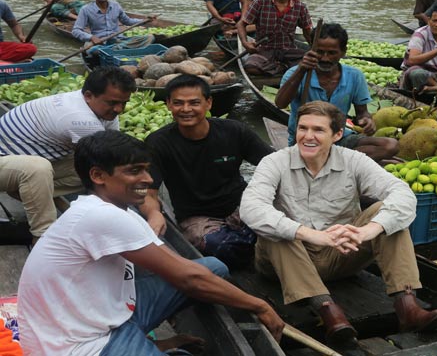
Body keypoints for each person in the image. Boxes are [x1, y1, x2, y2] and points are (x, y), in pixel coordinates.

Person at [18, 130, 284, 355]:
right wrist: (259, 305)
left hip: (110, 311)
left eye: (146, 170)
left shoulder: (115, 209)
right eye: (135, 171)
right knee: (199, 277)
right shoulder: (100, 215)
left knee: (213, 267)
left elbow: (185, 270)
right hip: (81, 343)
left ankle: (145, 341)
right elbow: (188, 279)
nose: (147, 179)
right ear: (98, 176)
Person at [240, 101, 437, 342]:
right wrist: (310, 234)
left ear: (337, 135)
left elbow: (402, 193)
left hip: (339, 255)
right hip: (286, 262)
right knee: (275, 229)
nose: (308, 137)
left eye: (318, 130)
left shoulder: (353, 160)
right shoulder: (275, 162)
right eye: (302, 128)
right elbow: (251, 207)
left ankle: (408, 307)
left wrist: (368, 231)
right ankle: (328, 311)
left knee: (387, 213)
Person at [139, 74, 274, 269]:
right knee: (219, 246)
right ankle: (255, 251)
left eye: (194, 103)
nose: (186, 110)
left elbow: (271, 165)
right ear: (168, 104)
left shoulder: (234, 131)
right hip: (197, 217)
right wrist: (154, 213)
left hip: (241, 206)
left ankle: (253, 247)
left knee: (280, 223)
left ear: (208, 103)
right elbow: (148, 192)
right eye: (178, 103)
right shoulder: (158, 143)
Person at [0, 67, 135, 243]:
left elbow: (113, 151)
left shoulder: (103, 109)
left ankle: (28, 192)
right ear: (88, 95)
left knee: (96, 172)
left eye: (123, 103)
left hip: (17, 164)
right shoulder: (80, 118)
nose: (119, 109)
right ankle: (42, 237)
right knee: (38, 168)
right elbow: (111, 158)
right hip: (7, 163)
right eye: (113, 103)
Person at [276, 23, 399, 161]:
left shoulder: (354, 76)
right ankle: (336, 160)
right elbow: (280, 103)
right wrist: (302, 70)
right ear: (311, 50)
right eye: (320, 52)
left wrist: (367, 120)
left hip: (338, 137)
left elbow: (361, 113)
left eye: (332, 53)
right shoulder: (295, 74)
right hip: (308, 139)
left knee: (390, 146)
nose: (325, 58)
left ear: (343, 52)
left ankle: (331, 159)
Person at [236, 0, 313, 76]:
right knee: (251, 67)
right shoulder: (260, 2)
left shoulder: (300, 6)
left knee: (312, 65)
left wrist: (314, 49)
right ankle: (281, 68)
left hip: (288, 51)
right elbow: (241, 24)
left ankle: (279, 68)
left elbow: (307, 31)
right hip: (264, 49)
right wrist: (245, 43)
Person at [72, 0, 155, 50]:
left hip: (118, 40)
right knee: (93, 49)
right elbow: (76, 30)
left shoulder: (115, 5)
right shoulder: (86, 9)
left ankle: (116, 49)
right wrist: (91, 37)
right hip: (100, 42)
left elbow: (127, 21)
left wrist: (145, 20)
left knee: (149, 37)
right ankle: (118, 49)